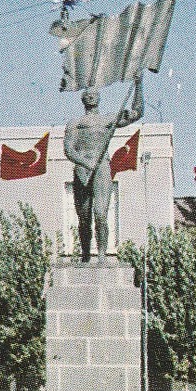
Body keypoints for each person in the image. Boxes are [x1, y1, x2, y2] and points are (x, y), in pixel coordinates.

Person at [62, 79, 143, 261]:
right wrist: (84, 162)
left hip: (101, 168)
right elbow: (68, 149)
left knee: (100, 214)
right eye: (87, 94)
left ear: (99, 98)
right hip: (83, 169)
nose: (90, 96)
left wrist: (139, 85)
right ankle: (85, 255)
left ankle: (101, 254)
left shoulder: (107, 120)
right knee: (84, 218)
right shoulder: (75, 123)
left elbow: (137, 113)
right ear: (82, 99)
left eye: (94, 94)